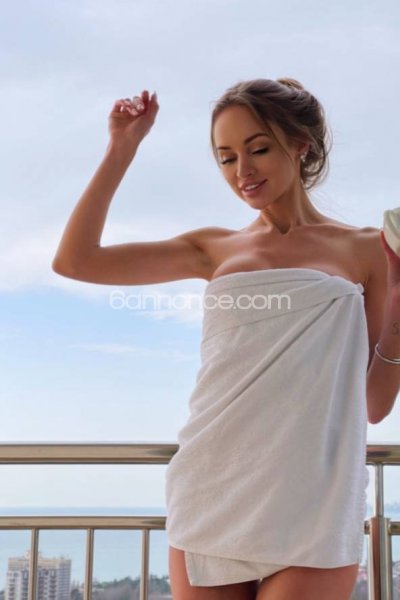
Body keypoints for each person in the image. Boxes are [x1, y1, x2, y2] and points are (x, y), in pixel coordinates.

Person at [52, 78, 399, 600]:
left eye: (258, 149)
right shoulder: (213, 248)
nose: (243, 171)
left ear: (300, 145)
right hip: (214, 486)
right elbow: (75, 261)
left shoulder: (368, 249)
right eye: (226, 158)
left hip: (317, 494)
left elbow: (374, 403)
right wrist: (122, 148)